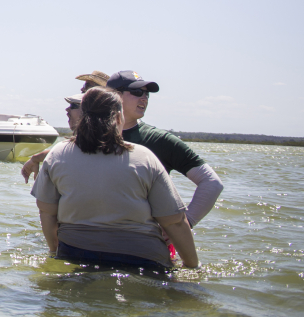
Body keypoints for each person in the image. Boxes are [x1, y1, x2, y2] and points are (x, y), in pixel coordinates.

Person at [22, 70, 224, 227]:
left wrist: (185, 224)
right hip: (86, 242)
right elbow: (63, 153)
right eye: (137, 92)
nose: (144, 98)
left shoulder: (159, 140)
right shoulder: (89, 137)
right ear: (114, 96)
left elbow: (211, 183)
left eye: (146, 94)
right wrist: (35, 159)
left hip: (145, 243)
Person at [32, 86, 199, 270]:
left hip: (76, 256)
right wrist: (192, 266)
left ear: (83, 116)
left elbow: (46, 212)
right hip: (143, 260)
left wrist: (55, 252)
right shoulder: (144, 157)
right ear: (119, 118)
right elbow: (174, 221)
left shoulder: (57, 154)